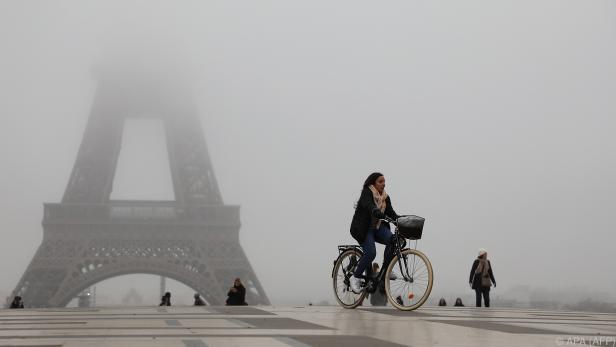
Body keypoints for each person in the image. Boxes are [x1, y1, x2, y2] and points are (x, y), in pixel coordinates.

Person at [349, 172, 399, 293]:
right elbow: (369, 205)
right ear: (373, 183)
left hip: (377, 228)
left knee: (393, 240)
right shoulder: (367, 192)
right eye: (380, 181)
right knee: (371, 253)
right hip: (363, 229)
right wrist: (375, 210)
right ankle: (354, 277)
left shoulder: (385, 197)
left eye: (384, 181)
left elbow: (391, 213)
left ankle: (386, 269)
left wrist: (401, 220)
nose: (383, 184)